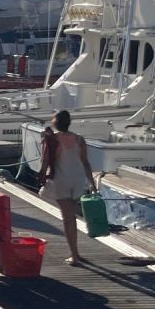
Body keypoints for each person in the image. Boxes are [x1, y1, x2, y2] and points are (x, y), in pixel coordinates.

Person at [39, 110, 96, 266]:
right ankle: (76, 252)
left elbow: (45, 162)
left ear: (55, 123)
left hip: (61, 180)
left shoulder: (52, 140)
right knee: (71, 217)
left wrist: (42, 176)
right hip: (77, 181)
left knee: (68, 219)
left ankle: (74, 256)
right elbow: (85, 162)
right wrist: (92, 182)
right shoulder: (79, 139)